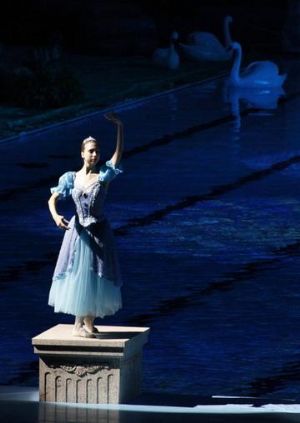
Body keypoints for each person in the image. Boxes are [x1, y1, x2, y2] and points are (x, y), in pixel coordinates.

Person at [48, 112, 124, 338]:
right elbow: (52, 198)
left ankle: (88, 322)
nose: (95, 154)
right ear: (82, 154)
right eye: (91, 151)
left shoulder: (104, 175)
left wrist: (120, 127)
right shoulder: (70, 178)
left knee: (96, 276)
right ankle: (78, 325)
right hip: (78, 233)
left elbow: (118, 155)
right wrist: (55, 215)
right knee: (79, 274)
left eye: (97, 151)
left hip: (99, 231)